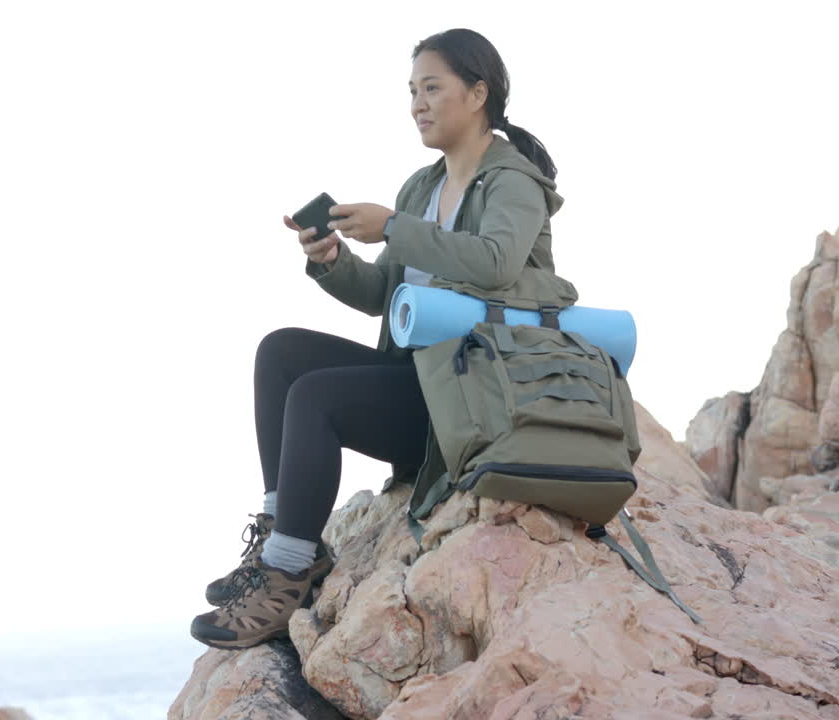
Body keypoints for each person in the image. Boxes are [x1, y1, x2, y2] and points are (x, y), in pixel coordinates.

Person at [190, 28, 567, 650]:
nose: (417, 103)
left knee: (317, 397)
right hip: (418, 382)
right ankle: (283, 539)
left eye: (432, 88)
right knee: (281, 352)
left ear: (477, 94)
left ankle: (287, 575)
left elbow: (497, 262)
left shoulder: (513, 181)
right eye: (411, 90)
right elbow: (382, 298)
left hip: (474, 399)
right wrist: (332, 259)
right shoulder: (422, 187)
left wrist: (392, 226)